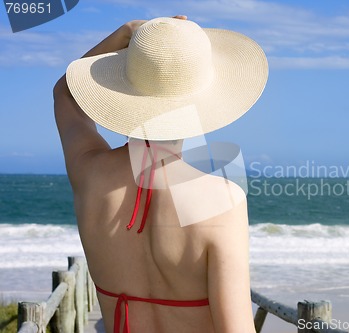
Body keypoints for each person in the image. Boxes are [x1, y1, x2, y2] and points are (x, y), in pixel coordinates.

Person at [54, 15, 268, 333]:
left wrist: (124, 33)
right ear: (204, 101)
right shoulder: (223, 200)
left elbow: (65, 94)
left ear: (122, 92)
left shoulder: (89, 174)